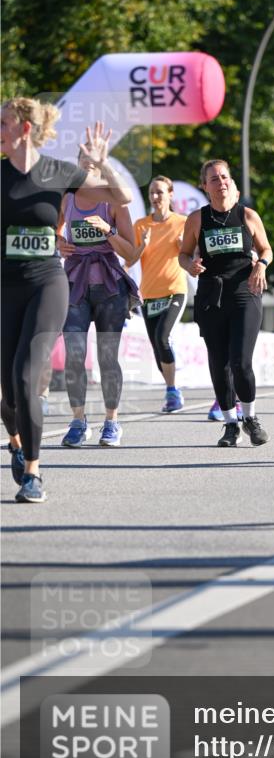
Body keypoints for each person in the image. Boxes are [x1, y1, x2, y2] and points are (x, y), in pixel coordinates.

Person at [1, 101, 131, 502]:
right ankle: (17, 441)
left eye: (3, 122)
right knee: (8, 390)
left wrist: (101, 164)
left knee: (26, 375)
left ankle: (34, 474)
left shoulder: (58, 172)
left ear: (24, 128)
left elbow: (121, 197)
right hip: (6, 287)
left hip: (48, 283)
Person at [179, 159, 271, 446]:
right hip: (211, 295)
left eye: (224, 177)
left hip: (245, 291)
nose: (221, 183)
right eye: (214, 179)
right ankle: (231, 424)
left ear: (232, 181)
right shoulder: (197, 219)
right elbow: (183, 254)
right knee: (219, 363)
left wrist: (261, 265)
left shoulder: (248, 216)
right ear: (205, 186)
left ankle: (251, 418)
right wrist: (189, 266)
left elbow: (266, 248)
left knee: (241, 361)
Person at [57, 164, 139, 447]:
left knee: (107, 357)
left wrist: (109, 231)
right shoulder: (67, 200)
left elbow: (131, 252)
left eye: (94, 163)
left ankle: (111, 422)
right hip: (74, 284)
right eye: (83, 162)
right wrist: (58, 241)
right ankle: (78, 421)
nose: (88, 167)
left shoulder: (114, 202)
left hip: (109, 287)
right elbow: (52, 231)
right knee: (75, 355)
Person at [128, 176, 188, 413]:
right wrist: (142, 244)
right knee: (156, 346)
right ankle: (172, 389)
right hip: (149, 294)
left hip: (175, 290)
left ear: (170, 195)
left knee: (163, 337)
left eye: (160, 192)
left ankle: (172, 391)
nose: (155, 197)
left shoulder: (182, 222)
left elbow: (194, 255)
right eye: (152, 192)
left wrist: (185, 246)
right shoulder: (141, 225)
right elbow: (130, 259)